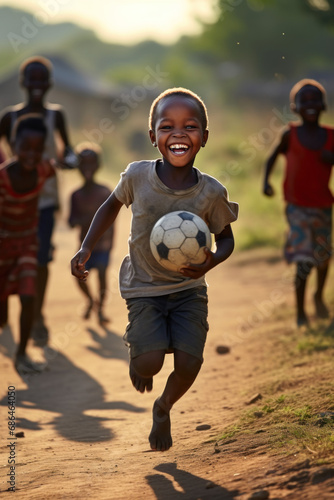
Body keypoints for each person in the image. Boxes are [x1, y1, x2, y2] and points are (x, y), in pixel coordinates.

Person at [71, 87, 238, 451]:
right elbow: (109, 207)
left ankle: (163, 407)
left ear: (204, 138)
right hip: (144, 287)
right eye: (167, 127)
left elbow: (225, 238)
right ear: (153, 137)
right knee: (148, 364)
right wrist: (86, 246)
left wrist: (214, 258)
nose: (178, 134)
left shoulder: (211, 192)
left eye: (190, 126)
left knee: (190, 362)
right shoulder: (137, 177)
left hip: (188, 290)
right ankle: (141, 354)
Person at [0, 55, 78, 346]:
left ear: (49, 84)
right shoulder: (10, 117)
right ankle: (8, 311)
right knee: (7, 257)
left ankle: (36, 315)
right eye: (31, 79)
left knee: (41, 258)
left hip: (44, 199)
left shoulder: (55, 115)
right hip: (9, 200)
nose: (36, 85)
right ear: (22, 82)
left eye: (41, 79)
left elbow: (66, 150)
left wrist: (72, 160)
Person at [263, 79, 334, 327]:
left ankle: (318, 295)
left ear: (323, 105)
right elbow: (271, 158)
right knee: (304, 260)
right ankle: (301, 313)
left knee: (323, 259)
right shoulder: (290, 135)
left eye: (316, 100)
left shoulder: (330, 136)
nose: (311, 104)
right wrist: (266, 182)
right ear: (295, 107)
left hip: (324, 207)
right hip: (297, 208)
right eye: (305, 101)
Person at [0, 115, 59, 375]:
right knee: (2, 316)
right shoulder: (2, 178)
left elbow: (64, 162)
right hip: (2, 246)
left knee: (28, 296)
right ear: (13, 145)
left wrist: (76, 158)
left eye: (37, 149)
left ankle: (22, 354)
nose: (31, 155)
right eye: (25, 148)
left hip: (26, 244)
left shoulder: (44, 170)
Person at [68, 142, 114, 325]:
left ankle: (101, 309)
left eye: (91, 163)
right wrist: (84, 219)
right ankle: (90, 301)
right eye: (83, 163)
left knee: (102, 273)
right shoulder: (76, 195)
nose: (87, 168)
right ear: (77, 166)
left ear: (98, 166)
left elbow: (112, 220)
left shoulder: (105, 192)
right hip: (84, 247)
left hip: (103, 246)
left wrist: (110, 243)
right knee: (79, 277)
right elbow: (71, 221)